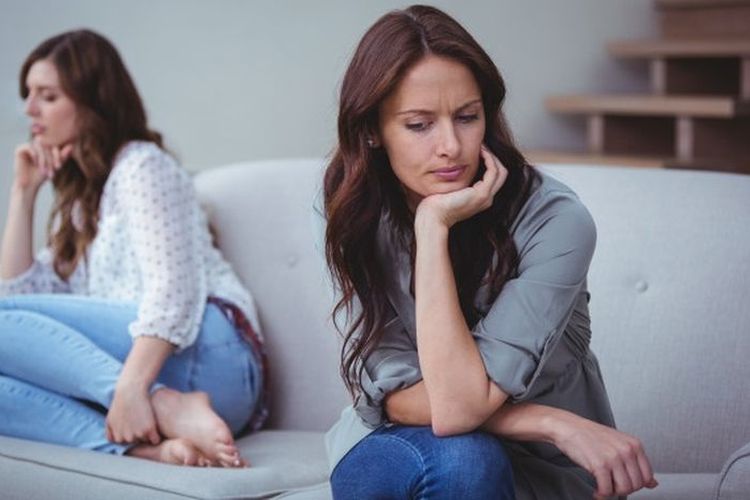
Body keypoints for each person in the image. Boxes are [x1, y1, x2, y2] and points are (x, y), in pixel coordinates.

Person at [323, 6, 658, 499]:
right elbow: (398, 399)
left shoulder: (555, 221)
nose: (450, 146)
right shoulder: (354, 210)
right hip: (402, 448)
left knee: (469, 461)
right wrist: (548, 421)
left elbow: (456, 406)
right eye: (419, 125)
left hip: (542, 472)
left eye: (467, 117)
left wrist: (431, 226)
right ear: (372, 130)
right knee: (465, 457)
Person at [0, 29, 266, 467]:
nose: (29, 109)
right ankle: (147, 448)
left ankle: (164, 405)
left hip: (213, 355)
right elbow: (22, 305)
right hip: (152, 377)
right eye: (27, 95)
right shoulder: (79, 207)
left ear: (92, 102)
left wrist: (132, 388)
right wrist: (22, 194)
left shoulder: (142, 166)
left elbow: (173, 291)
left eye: (47, 96)